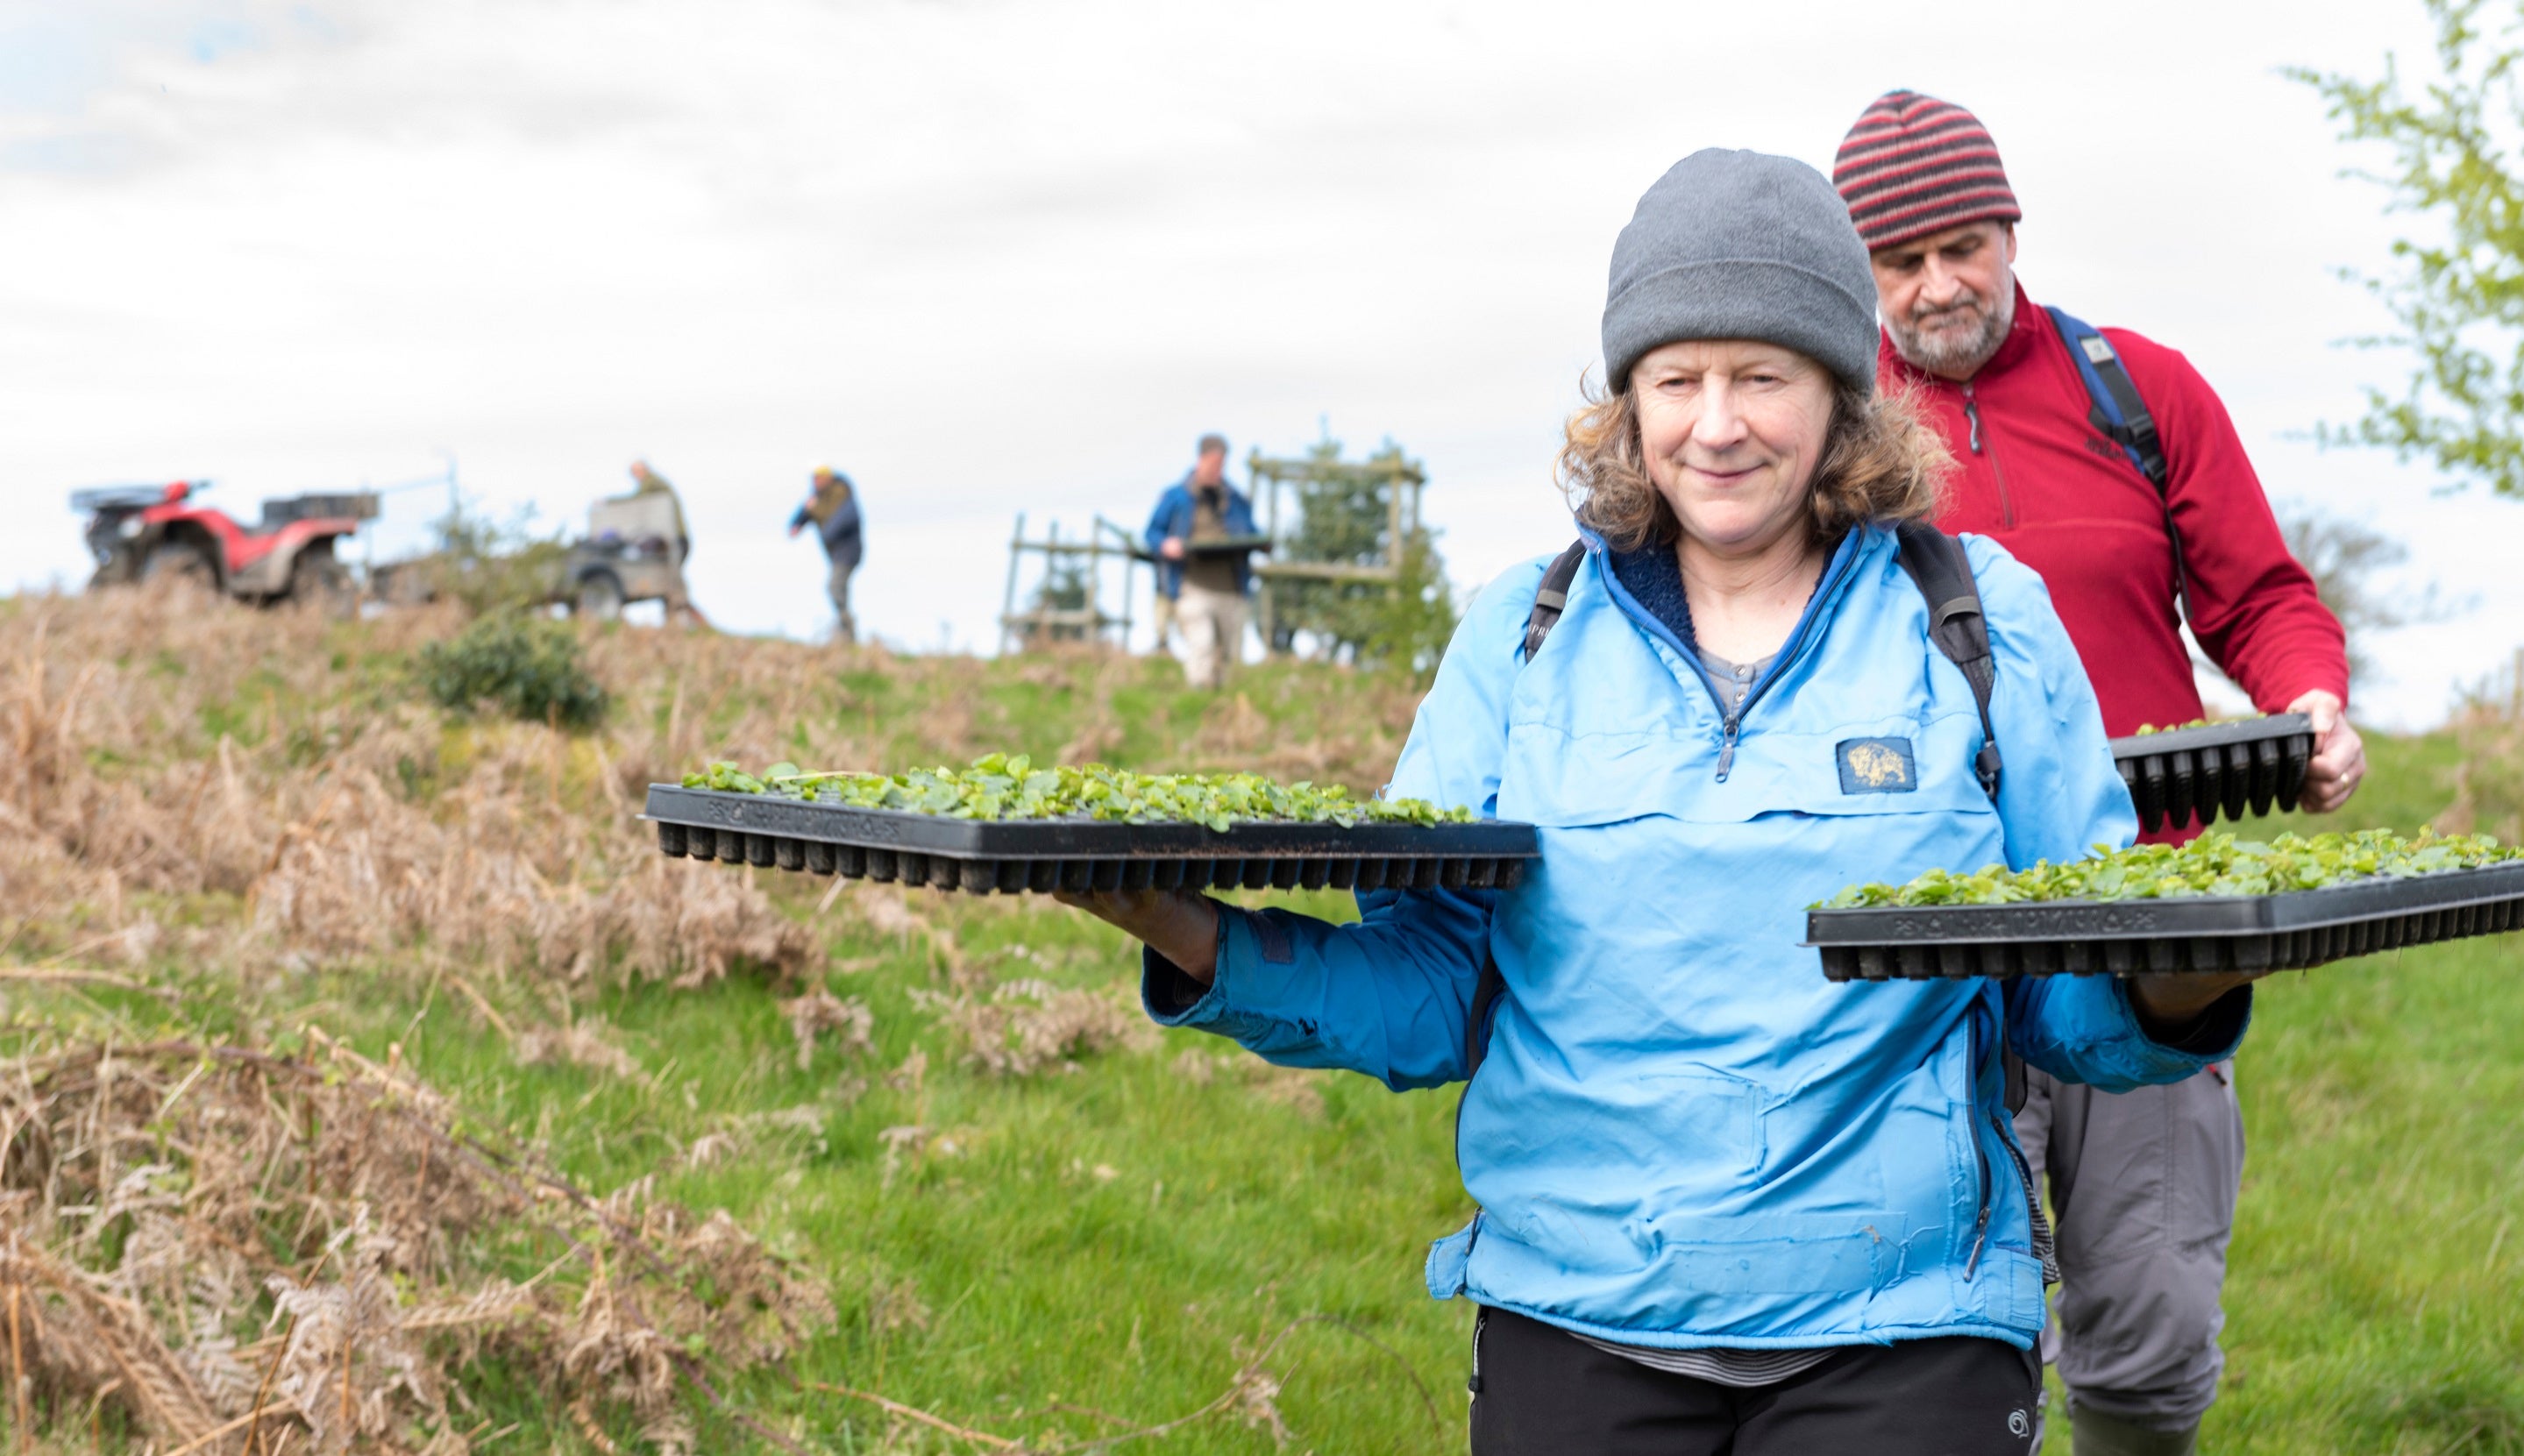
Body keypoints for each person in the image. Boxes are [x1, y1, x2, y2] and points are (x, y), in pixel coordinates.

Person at [1062, 149, 2267, 1455]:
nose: (1716, 423)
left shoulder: (1974, 623)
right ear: (1626, 400)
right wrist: (1187, 938)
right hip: (1576, 1318)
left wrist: (2178, 987)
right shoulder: (1519, 640)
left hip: (1905, 1328)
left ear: (1838, 395)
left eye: (1761, 376)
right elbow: (1427, 999)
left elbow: (2061, 996)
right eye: (1675, 378)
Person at [1834, 90, 2364, 1456]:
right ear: (1852, 272)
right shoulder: (1822, 439)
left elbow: (2258, 597)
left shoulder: (2137, 390)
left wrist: (2307, 697)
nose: (1935, 284)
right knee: (1940, 1320)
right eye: (1897, 261)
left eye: (1960, 243)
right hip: (1937, 946)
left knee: (2149, 1310)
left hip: (2152, 923)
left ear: (2008, 227)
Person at [1143, 434, 1258, 688]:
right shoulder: (1176, 497)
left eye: (1222, 465)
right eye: (1214, 464)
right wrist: (1165, 545)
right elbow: (1152, 533)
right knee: (1201, 644)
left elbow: (1252, 531)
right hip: (1191, 585)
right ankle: (1196, 697)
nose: (1218, 470)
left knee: (1228, 654)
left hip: (1231, 588)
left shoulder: (1235, 499)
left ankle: (1220, 705)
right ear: (1201, 460)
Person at [787, 466, 864, 643]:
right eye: (814, 479)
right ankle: (846, 634)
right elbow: (804, 513)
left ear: (828, 479)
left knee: (834, 586)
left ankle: (847, 629)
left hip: (849, 553)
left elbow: (849, 518)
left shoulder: (842, 495)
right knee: (840, 590)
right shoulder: (817, 499)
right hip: (835, 554)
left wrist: (827, 531)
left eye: (819, 479)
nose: (816, 482)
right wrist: (796, 525)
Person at [627, 459, 696, 618]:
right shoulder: (656, 484)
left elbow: (637, 497)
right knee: (670, 577)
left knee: (673, 577)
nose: (635, 478)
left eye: (636, 473)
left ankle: (681, 611)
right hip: (676, 537)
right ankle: (674, 616)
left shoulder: (654, 483)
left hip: (676, 538)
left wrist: (608, 501)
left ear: (644, 470)